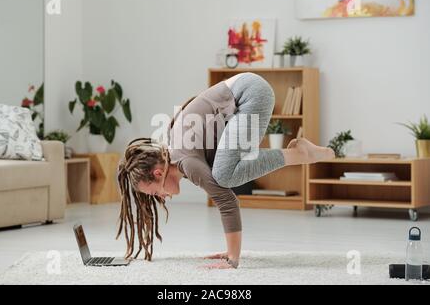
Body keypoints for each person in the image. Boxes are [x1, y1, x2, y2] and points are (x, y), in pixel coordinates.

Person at [116, 73, 335, 269]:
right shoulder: (180, 155)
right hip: (246, 90)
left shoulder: (187, 162)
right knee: (222, 171)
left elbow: (228, 201)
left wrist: (232, 257)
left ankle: (300, 155)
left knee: (223, 176)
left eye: (155, 193)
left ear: (157, 173)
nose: (162, 198)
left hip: (250, 93)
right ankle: (308, 153)